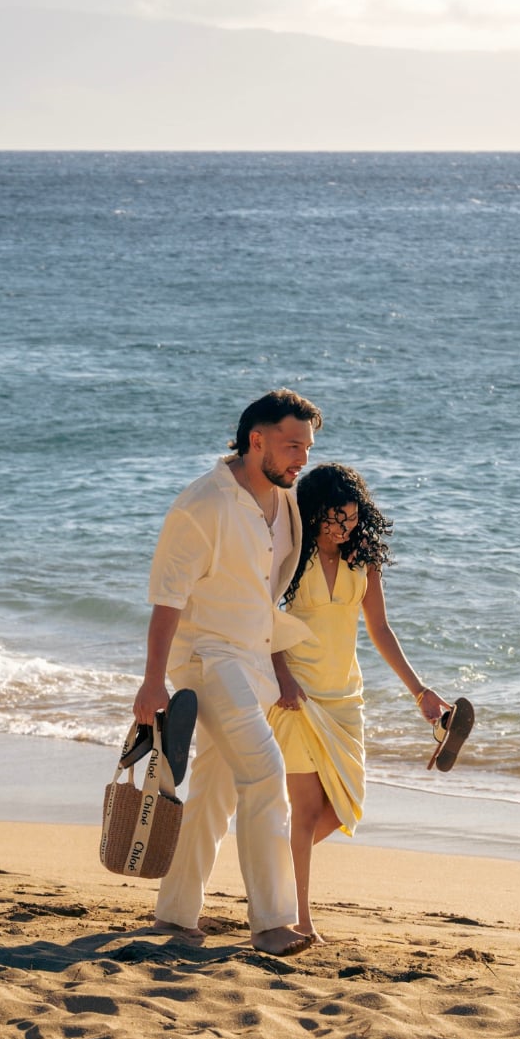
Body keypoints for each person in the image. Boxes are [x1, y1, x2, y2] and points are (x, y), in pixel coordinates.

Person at [134, 389, 322, 956]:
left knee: (215, 792)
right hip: (207, 660)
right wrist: (152, 682)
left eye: (309, 448)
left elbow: (262, 595)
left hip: (251, 663)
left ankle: (173, 915)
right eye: (293, 446)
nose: (302, 459)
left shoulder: (283, 502)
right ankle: (271, 922)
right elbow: (167, 600)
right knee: (265, 771)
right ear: (255, 440)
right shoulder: (202, 505)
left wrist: (280, 667)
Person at [268, 462, 450, 943]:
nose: (342, 528)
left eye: (350, 518)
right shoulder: (290, 553)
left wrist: (419, 692)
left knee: (346, 806)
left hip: (345, 697)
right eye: (334, 519)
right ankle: (298, 918)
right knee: (306, 811)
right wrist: (281, 676)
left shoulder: (362, 558)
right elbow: (262, 620)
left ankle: (270, 872)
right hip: (296, 696)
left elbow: (380, 629)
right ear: (313, 514)